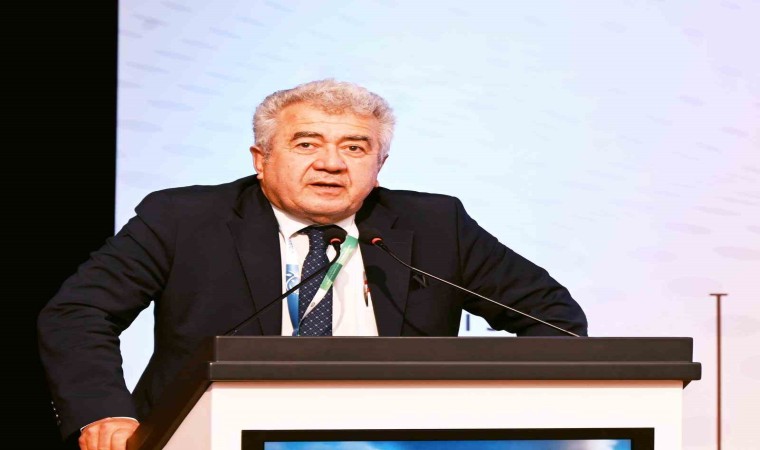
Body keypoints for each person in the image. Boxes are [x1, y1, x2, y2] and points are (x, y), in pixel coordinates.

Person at [37, 79, 588, 450]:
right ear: (261, 159)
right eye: (306, 144)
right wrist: (104, 412)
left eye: (355, 148)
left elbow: (552, 317)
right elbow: (79, 313)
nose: (331, 163)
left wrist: (488, 413)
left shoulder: (435, 225)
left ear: (380, 164)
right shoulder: (184, 218)